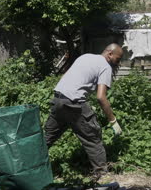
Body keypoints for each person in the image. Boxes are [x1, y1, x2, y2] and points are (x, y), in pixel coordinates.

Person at [44, 43, 123, 175]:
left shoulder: (85, 57)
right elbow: (101, 97)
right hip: (73, 103)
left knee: (47, 138)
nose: (118, 62)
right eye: (118, 59)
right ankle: (102, 176)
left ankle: (28, 166)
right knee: (93, 138)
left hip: (58, 99)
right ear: (110, 54)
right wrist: (113, 121)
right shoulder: (105, 66)